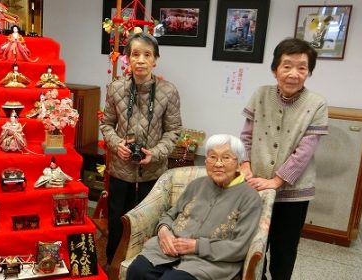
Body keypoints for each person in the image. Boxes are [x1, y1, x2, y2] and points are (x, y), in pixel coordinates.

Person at [239, 38, 328, 280]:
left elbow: (305, 151)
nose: (293, 73)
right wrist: (245, 166)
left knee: (284, 251)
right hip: (255, 185)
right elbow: (246, 135)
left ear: (309, 72)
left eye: (302, 67)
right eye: (287, 65)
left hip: (294, 194)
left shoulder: (317, 104)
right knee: (253, 247)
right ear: (274, 69)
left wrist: (277, 182)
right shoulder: (260, 95)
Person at [126, 134, 262, 280]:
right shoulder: (197, 184)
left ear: (239, 163)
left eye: (226, 158)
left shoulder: (250, 198)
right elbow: (170, 214)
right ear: (206, 160)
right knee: (137, 271)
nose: (218, 164)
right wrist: (163, 232)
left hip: (209, 262)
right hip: (168, 250)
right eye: (212, 157)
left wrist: (197, 246)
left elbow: (240, 246)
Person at [99, 32, 182, 266]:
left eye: (147, 55)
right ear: (128, 59)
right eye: (135, 54)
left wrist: (154, 153)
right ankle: (112, 263)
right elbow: (106, 124)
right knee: (117, 219)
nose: (141, 60)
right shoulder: (116, 88)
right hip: (120, 168)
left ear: (155, 60)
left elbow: (174, 130)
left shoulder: (169, 91)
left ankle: (142, 266)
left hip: (153, 170)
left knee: (148, 220)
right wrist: (117, 145)